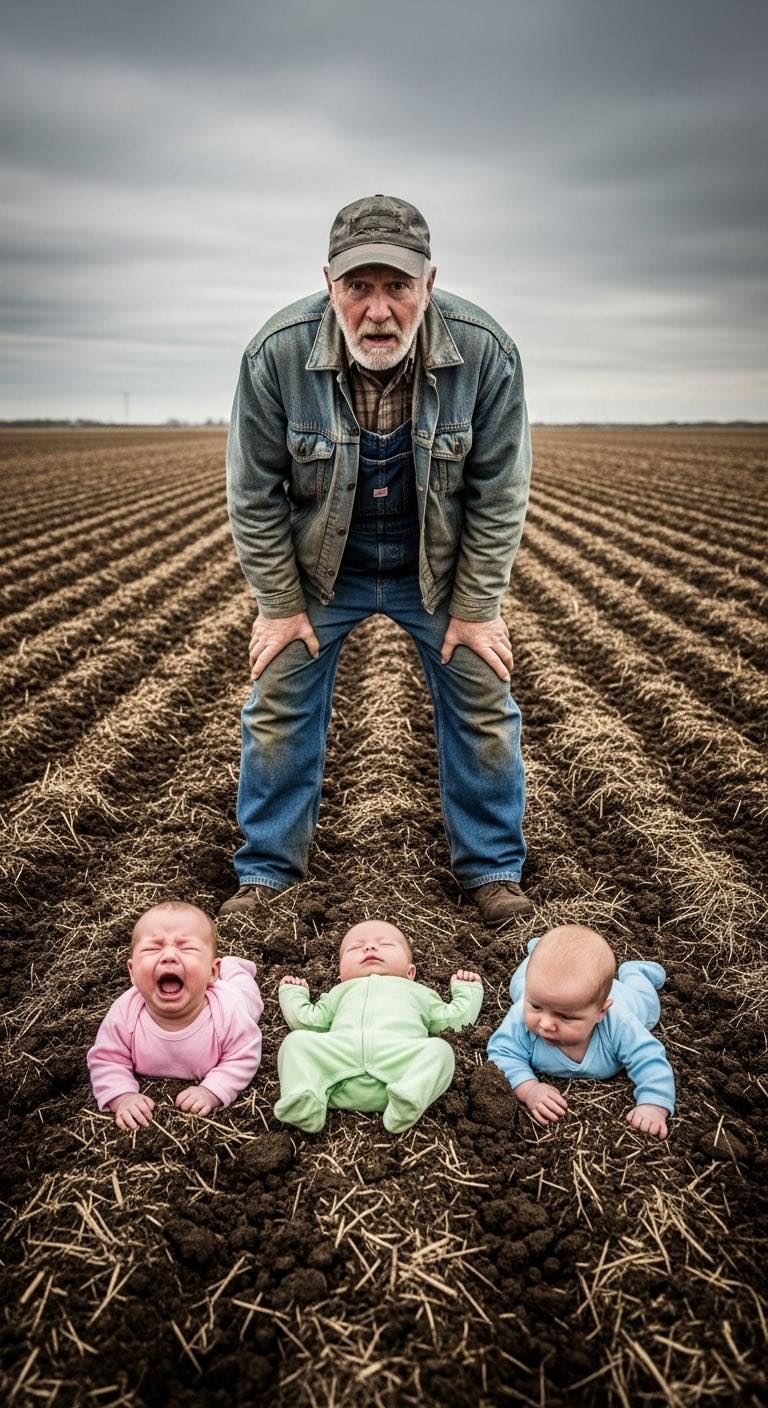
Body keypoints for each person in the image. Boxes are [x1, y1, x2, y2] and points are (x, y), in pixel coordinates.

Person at [221, 193, 534, 927]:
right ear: (329, 285)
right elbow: (253, 493)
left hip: (438, 570)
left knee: (484, 700)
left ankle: (491, 869)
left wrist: (475, 609)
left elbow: (499, 491)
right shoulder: (277, 354)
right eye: (358, 286)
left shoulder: (486, 352)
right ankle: (268, 873)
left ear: (430, 283)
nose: (379, 309)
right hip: (322, 571)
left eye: (398, 285)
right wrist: (280, 607)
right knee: (277, 703)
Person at [274, 919, 483, 1133]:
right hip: (339, 1062)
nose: (370, 947)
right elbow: (308, 1022)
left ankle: (409, 1097)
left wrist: (467, 991)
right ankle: (306, 1101)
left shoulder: (419, 992)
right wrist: (294, 994)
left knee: (440, 1050)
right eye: (356, 947)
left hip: (397, 1062)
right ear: (341, 976)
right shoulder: (339, 992)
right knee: (295, 1042)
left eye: (385, 944)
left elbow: (454, 1023)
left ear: (410, 973)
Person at [87, 901, 263, 1130]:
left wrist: (211, 1091)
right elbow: (108, 1060)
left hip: (235, 996)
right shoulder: (124, 1013)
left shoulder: (230, 1012)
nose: (168, 956)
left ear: (211, 972)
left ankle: (234, 967)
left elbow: (242, 1056)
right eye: (152, 949)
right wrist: (122, 1097)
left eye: (187, 948)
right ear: (132, 972)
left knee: (246, 993)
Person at [487, 925, 675, 1137]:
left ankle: (635, 972)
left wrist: (653, 1105)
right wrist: (529, 1088)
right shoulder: (522, 1012)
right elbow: (502, 1053)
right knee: (518, 986)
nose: (546, 1024)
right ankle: (539, 952)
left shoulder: (620, 1023)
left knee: (649, 1006)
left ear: (600, 1013)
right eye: (536, 1007)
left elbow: (648, 1058)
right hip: (546, 988)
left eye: (565, 1017)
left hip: (625, 997)